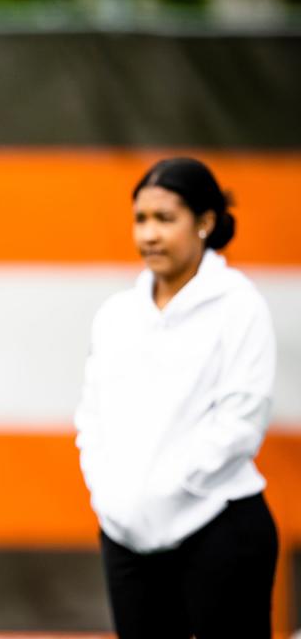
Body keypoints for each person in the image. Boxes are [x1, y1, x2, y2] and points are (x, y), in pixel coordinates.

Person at [74, 157, 278, 638]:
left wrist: (164, 491)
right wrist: (112, 498)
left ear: (205, 222)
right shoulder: (117, 314)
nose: (149, 235)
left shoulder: (240, 305)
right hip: (126, 537)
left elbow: (240, 423)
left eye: (165, 219)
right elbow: (93, 418)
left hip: (220, 530)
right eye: (141, 219)